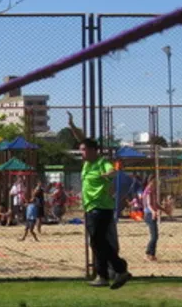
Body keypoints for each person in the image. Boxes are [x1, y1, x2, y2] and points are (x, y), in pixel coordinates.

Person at [73, 113, 131, 290]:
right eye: (80, 149)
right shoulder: (87, 164)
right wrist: (72, 126)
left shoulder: (101, 162)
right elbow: (84, 139)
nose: (81, 152)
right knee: (97, 242)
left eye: (83, 150)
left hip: (101, 208)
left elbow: (112, 171)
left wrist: (109, 174)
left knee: (98, 241)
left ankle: (118, 269)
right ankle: (105, 275)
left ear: (92, 151)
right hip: (91, 208)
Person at [142, 176, 169, 262]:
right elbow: (149, 204)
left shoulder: (152, 191)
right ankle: (148, 254)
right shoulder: (148, 191)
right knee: (154, 236)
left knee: (155, 236)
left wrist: (164, 210)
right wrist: (153, 212)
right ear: (150, 182)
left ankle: (152, 255)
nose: (156, 184)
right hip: (149, 215)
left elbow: (155, 204)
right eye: (154, 182)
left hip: (152, 214)